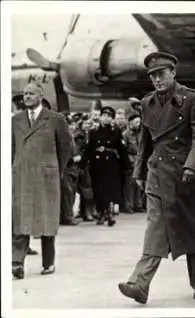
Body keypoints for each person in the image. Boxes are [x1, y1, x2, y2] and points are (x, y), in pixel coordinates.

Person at [118, 51, 195, 304]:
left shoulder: (194, 99)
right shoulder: (148, 103)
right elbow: (146, 142)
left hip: (186, 177)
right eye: (153, 76)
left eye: (161, 74)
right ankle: (139, 284)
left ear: (173, 72)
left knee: (193, 230)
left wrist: (192, 167)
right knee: (155, 228)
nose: (157, 79)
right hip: (157, 175)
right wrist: (139, 172)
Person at [12, 83, 73, 279]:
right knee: (20, 220)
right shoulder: (16, 120)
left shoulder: (55, 119)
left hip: (47, 177)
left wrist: (55, 169)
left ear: (40, 95)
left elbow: (65, 148)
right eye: (25, 94)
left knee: (46, 220)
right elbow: (10, 148)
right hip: (22, 175)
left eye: (31, 93)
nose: (26, 97)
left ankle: (48, 262)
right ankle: (17, 263)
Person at [80, 106, 131, 226]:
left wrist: (127, 165)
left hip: (111, 164)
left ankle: (108, 213)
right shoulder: (94, 132)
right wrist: (82, 164)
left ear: (112, 119)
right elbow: (88, 149)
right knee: (98, 189)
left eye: (108, 116)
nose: (106, 118)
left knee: (109, 189)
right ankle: (100, 212)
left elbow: (122, 150)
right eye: (104, 116)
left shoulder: (115, 132)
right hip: (97, 164)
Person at [122, 114, 145, 213]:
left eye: (139, 122)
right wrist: (128, 162)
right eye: (136, 122)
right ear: (130, 123)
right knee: (130, 185)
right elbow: (124, 150)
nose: (138, 124)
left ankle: (138, 205)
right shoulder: (125, 135)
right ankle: (129, 205)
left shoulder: (141, 134)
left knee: (139, 184)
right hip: (131, 160)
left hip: (139, 160)